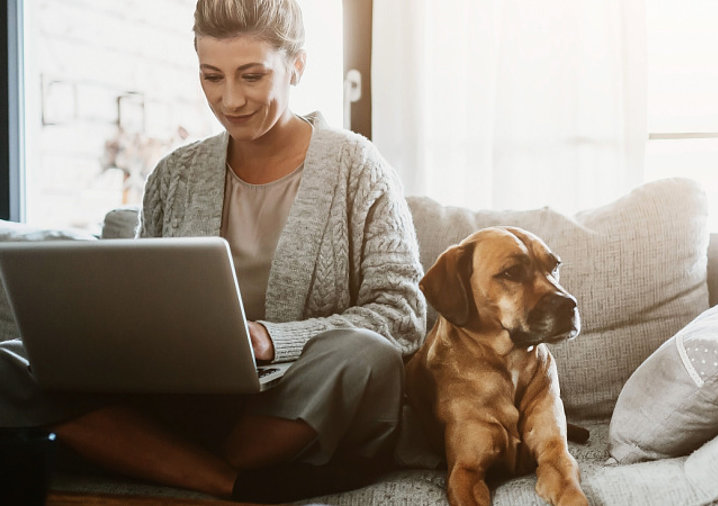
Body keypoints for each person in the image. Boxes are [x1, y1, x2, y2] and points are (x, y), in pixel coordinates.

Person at [0, 0, 426, 502]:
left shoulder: (358, 166)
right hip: (184, 396)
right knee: (10, 364)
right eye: (211, 76)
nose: (230, 100)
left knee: (365, 354)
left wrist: (273, 340)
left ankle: (165, 457)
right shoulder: (173, 175)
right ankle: (233, 481)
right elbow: (140, 302)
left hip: (298, 398)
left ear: (297, 66)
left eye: (251, 76)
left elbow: (401, 315)